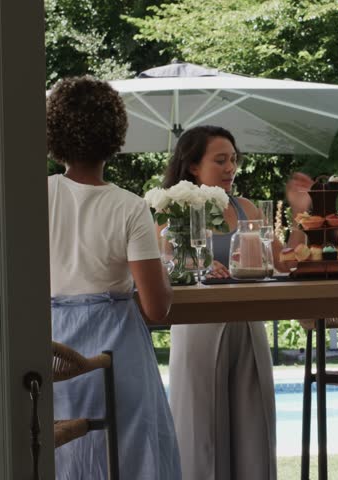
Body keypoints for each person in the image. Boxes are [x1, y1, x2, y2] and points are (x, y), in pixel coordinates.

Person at [46, 76, 181, 479]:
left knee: (64, 456)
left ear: (55, 134)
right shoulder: (130, 207)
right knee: (130, 458)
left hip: (51, 348)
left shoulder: (32, 196)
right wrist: (166, 272)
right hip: (115, 353)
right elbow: (157, 308)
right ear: (115, 135)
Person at [162, 125, 292, 480]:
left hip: (249, 324)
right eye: (220, 160)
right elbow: (163, 266)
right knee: (200, 430)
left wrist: (302, 213)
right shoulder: (172, 210)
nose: (230, 167)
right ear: (192, 166)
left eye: (233, 159)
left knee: (255, 425)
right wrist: (194, 265)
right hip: (197, 329)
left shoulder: (247, 208)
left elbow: (282, 265)